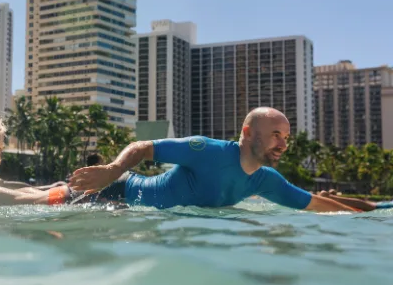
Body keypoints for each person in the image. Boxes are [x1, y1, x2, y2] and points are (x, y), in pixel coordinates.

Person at [68, 107, 378, 213]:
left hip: (129, 212)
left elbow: (314, 204)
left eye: (286, 137)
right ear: (248, 132)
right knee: (35, 197)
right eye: (274, 135)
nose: (283, 144)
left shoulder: (265, 180)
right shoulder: (207, 150)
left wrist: (360, 216)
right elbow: (143, 146)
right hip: (119, 192)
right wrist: (112, 170)